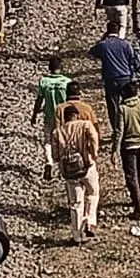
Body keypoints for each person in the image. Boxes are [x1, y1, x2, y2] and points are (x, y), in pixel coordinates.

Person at [53, 103, 101, 243]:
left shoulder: (57, 132)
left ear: (65, 117)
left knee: (75, 203)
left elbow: (55, 155)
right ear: (76, 115)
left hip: (70, 172)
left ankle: (77, 235)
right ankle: (90, 222)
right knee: (93, 193)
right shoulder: (85, 125)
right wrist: (93, 153)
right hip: (87, 166)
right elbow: (93, 138)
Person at [90, 19, 140, 136]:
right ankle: (130, 128)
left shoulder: (103, 45)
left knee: (113, 106)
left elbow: (92, 52)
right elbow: (135, 59)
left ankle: (117, 130)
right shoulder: (126, 44)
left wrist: (102, 39)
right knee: (129, 103)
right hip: (126, 78)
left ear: (107, 31)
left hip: (110, 79)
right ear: (118, 31)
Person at [113, 81, 140, 219]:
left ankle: (138, 207)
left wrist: (114, 150)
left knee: (131, 177)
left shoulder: (123, 109)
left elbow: (119, 131)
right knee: (138, 174)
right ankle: (138, 198)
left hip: (129, 148)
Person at [29, 57, 74, 181]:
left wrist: (34, 115)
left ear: (49, 68)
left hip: (49, 116)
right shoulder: (67, 82)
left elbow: (39, 100)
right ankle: (62, 167)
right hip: (64, 117)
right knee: (63, 141)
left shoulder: (44, 81)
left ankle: (49, 163)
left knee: (48, 141)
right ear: (61, 68)